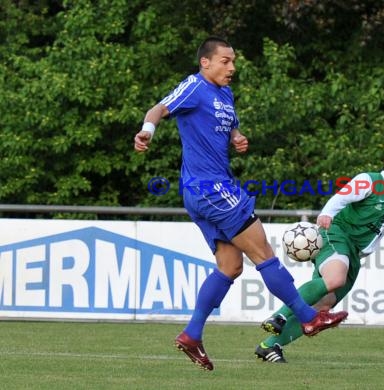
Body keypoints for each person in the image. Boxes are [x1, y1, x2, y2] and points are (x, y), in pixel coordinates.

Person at [133, 36, 348, 371]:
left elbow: (229, 123)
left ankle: (192, 334)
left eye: (233, 61)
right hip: (210, 187)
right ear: (205, 62)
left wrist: (236, 137)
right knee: (263, 252)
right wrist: (148, 131)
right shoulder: (194, 86)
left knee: (230, 266)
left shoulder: (224, 93)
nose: (231, 67)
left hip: (207, 190)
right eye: (224, 61)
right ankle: (308, 318)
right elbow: (159, 109)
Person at [255, 144, 384, 363]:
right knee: (336, 278)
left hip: (354, 255)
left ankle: (269, 346)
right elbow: (341, 197)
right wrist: (327, 213)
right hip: (335, 234)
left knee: (321, 307)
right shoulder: (370, 180)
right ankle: (280, 315)